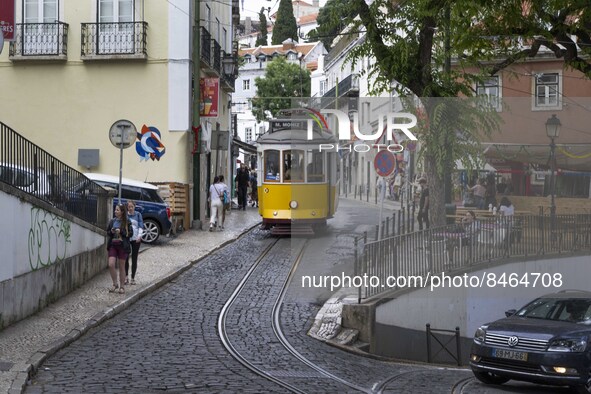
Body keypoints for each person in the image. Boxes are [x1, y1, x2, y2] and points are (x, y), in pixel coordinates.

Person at [106, 204, 133, 294]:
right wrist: (112, 231)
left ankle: (122, 287)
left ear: (122, 212)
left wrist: (121, 231)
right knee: (111, 264)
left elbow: (130, 234)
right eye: (115, 210)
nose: (115, 211)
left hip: (123, 246)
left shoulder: (127, 221)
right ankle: (115, 284)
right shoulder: (112, 221)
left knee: (122, 266)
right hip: (113, 245)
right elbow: (108, 232)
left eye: (117, 210)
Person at [124, 200, 143, 286]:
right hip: (127, 238)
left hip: (136, 239)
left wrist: (139, 236)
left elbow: (141, 225)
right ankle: (126, 277)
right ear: (127, 207)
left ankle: (133, 278)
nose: (130, 208)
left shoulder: (138, 214)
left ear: (134, 207)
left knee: (134, 258)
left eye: (132, 207)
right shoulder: (125, 215)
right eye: (129, 207)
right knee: (126, 258)